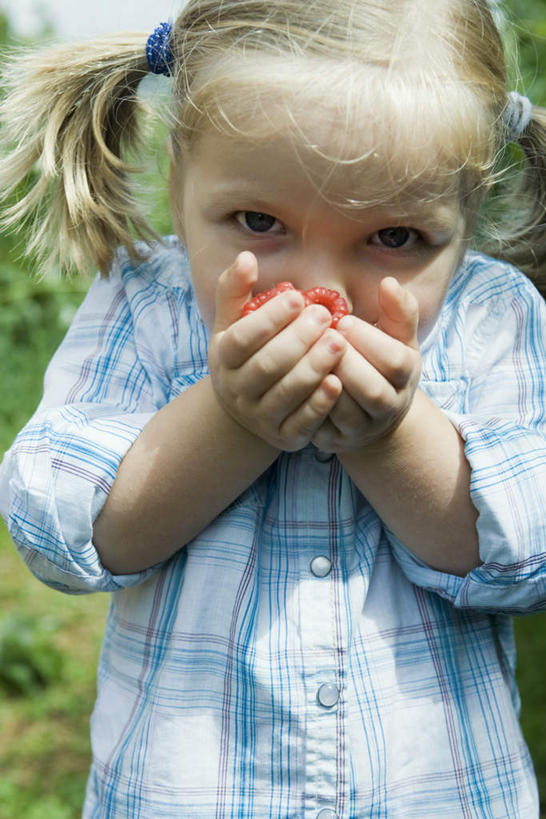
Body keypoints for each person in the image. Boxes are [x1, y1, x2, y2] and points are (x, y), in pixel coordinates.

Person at [1, 0, 545, 815]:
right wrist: (228, 421)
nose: (317, 288)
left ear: (465, 218)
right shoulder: (147, 304)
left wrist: (393, 440)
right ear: (181, 186)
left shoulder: (492, 316)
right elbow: (62, 531)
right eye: (259, 222)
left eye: (394, 237)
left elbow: (524, 559)